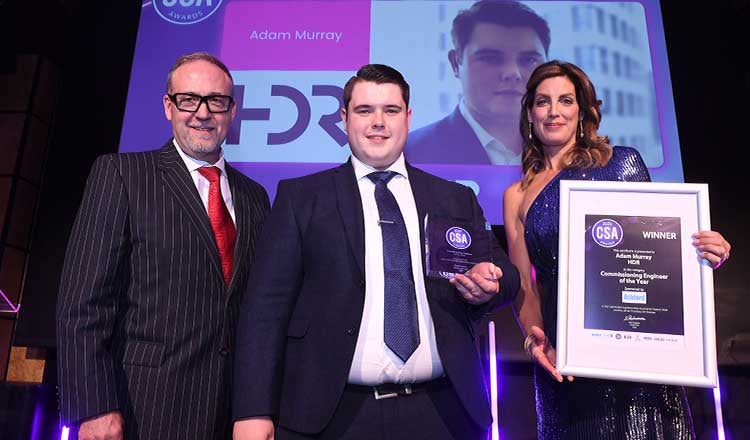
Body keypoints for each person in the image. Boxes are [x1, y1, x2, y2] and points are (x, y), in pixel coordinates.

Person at [232, 64, 520, 440]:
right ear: (344, 118)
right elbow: (264, 311)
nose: (378, 122)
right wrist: (253, 411)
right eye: (365, 110)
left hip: (441, 412)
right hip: (331, 416)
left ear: (409, 117)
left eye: (391, 110)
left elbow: (505, 273)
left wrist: (492, 283)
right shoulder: (300, 199)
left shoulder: (453, 197)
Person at [503, 60, 732, 439]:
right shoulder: (517, 196)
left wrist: (705, 254)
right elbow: (525, 288)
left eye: (566, 100)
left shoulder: (621, 164)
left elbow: (656, 255)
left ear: (582, 111)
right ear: (530, 113)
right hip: (565, 363)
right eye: (543, 102)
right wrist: (534, 340)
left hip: (636, 356)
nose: (554, 111)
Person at [56, 52, 270, 440]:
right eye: (189, 99)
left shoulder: (255, 198)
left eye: (216, 101)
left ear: (232, 110)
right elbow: (82, 305)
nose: (203, 113)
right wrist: (94, 406)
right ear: (168, 106)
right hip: (142, 409)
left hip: (229, 415)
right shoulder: (122, 174)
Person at [405, 0, 550, 165]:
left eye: (529, 60)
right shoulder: (409, 154)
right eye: (490, 58)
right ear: (455, 64)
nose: (512, 73)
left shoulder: (573, 153)